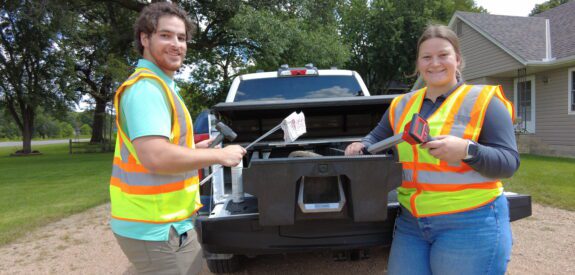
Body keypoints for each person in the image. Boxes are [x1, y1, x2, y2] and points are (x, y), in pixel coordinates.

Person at [345, 24, 519, 275]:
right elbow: (375, 137)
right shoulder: (402, 104)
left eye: (443, 55)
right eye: (427, 57)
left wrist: (467, 151)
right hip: (411, 224)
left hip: (470, 223)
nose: (434, 63)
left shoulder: (484, 101)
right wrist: (361, 144)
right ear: (418, 63)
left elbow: (509, 163)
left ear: (457, 59)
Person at [109, 2, 246, 274]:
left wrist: (194, 148)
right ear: (144, 39)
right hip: (156, 227)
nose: (176, 44)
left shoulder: (162, 86)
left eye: (181, 38)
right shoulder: (146, 89)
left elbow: (156, 148)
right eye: (165, 35)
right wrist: (220, 155)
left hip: (163, 224)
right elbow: (157, 157)